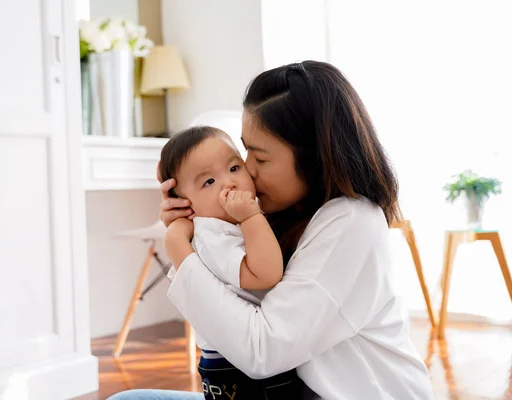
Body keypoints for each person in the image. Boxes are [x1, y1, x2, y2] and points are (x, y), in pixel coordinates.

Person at [109, 60, 434, 400]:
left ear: (315, 158)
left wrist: (181, 250)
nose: (246, 170)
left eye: (259, 159)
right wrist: (199, 222)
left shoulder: (350, 222)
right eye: (244, 151)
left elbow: (260, 350)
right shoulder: (282, 211)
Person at [158, 126, 319, 399]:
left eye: (234, 168)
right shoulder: (214, 235)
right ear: (185, 203)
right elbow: (265, 275)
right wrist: (250, 217)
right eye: (208, 182)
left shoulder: (226, 224)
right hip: (235, 369)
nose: (228, 183)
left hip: (235, 360)